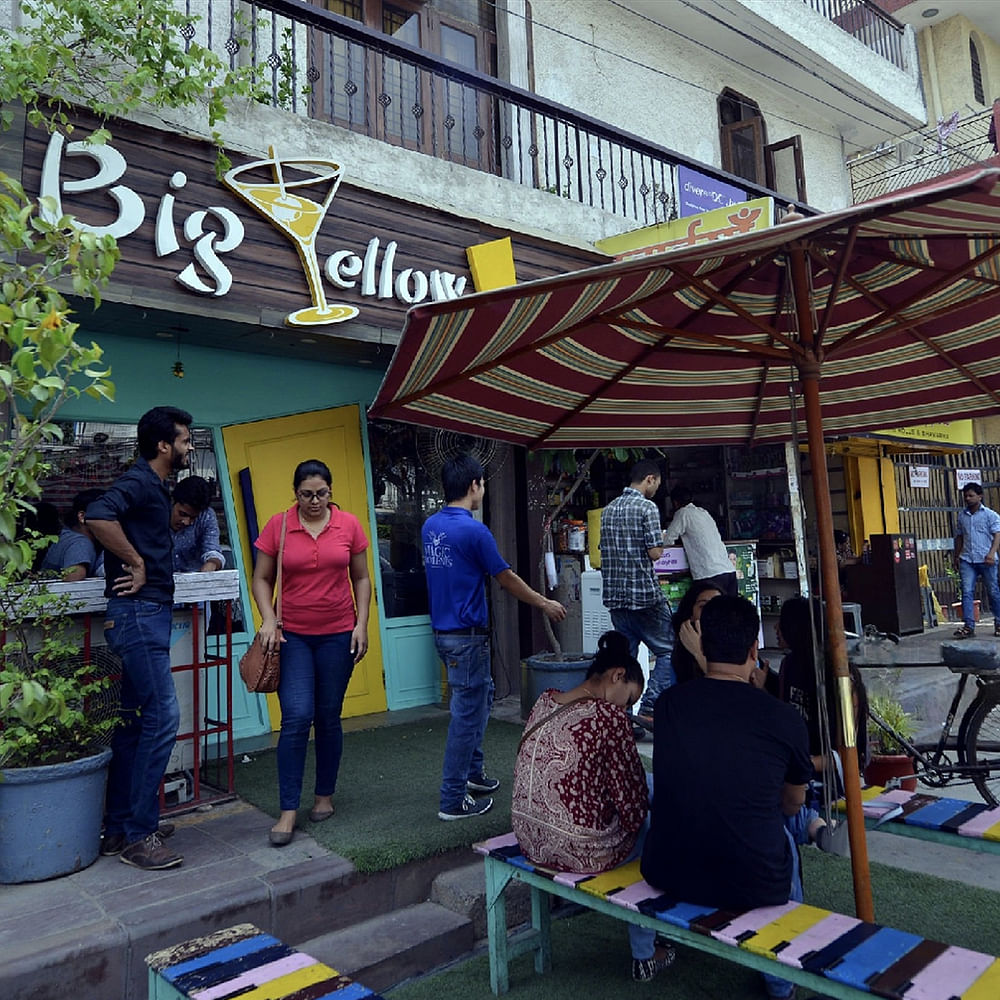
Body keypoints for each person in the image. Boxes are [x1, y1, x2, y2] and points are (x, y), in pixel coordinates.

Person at [641, 594, 812, 1000]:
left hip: (669, 871)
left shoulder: (667, 706)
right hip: (757, 881)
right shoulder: (782, 718)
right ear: (755, 649)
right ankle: (781, 986)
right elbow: (792, 803)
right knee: (786, 831)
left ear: (702, 644)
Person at [513, 630, 675, 982]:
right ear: (618, 676)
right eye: (628, 699)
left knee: (646, 790)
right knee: (654, 826)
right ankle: (646, 952)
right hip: (578, 850)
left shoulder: (546, 701)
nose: (626, 709)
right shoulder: (609, 718)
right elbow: (633, 813)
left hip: (529, 838)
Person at [423, 453, 566, 821]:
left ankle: (473, 775)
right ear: (474, 486)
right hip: (466, 637)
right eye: (483, 483)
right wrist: (544, 603)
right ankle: (452, 799)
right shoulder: (473, 530)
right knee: (467, 716)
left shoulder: (431, 526)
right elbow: (505, 577)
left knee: (478, 700)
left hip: (445, 633)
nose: (483, 489)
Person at [86, 406, 194, 871]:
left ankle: (118, 827)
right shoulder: (140, 481)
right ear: (163, 445)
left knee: (133, 723)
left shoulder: (155, 487)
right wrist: (137, 562)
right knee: (162, 717)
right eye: (185, 441)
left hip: (141, 615)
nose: (190, 448)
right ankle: (138, 835)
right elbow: (96, 514)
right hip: (137, 614)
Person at [252, 459, 372, 847]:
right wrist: (268, 619)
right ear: (295, 493)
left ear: (331, 491)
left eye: (321, 493)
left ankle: (324, 795)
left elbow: (362, 577)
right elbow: (261, 578)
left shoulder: (349, 525)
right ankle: (288, 809)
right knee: (297, 716)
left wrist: (362, 624)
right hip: (294, 638)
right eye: (306, 494)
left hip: (338, 634)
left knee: (327, 716)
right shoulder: (279, 525)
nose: (315, 501)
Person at [599, 459, 674, 730]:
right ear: (650, 479)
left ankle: (622, 715)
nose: (655, 490)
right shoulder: (646, 507)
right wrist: (663, 543)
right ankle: (650, 708)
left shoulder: (608, 510)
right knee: (668, 652)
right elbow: (655, 553)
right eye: (656, 484)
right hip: (644, 597)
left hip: (616, 599)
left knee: (625, 659)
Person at [664, 484, 737, 595]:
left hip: (709, 574)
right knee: (731, 611)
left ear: (675, 503)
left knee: (708, 611)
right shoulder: (703, 512)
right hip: (729, 571)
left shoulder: (683, 513)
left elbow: (668, 540)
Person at [953, 482, 1000, 639]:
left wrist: (992, 554)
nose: (968, 498)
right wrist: (957, 555)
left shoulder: (990, 515)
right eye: (966, 495)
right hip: (967, 559)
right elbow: (959, 536)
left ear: (980, 496)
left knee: (993, 591)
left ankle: (999, 623)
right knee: (966, 592)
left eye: (971, 495)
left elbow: (997, 536)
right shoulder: (962, 516)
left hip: (987, 559)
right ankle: (968, 626)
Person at [39, 489, 104, 580]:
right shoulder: (80, 543)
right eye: (105, 515)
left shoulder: (66, 536)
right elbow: (73, 587)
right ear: (82, 516)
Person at [669, 581, 724, 685]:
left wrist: (698, 653)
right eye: (703, 606)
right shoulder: (678, 655)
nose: (711, 612)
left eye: (718, 605)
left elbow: (732, 689)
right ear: (691, 615)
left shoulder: (738, 646)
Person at [171, 475, 225, 572]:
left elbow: (212, 550)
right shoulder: (158, 513)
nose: (186, 522)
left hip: (195, 581)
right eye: (182, 514)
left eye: (193, 517)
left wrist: (212, 564)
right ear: (172, 502)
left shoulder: (206, 515)